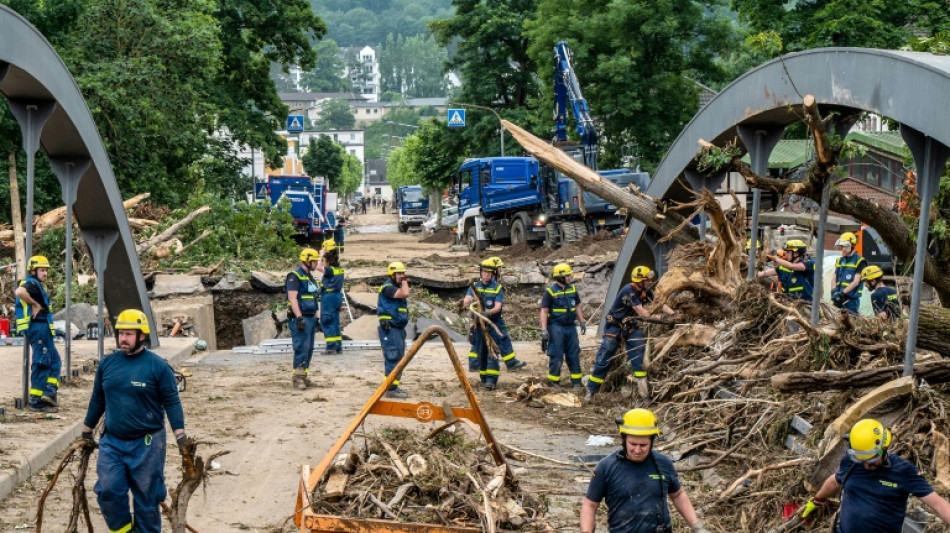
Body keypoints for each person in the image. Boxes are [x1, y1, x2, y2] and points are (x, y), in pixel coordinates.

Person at [81, 309, 188, 533]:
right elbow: (98, 399)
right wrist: (87, 430)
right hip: (113, 441)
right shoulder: (107, 364)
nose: (123, 339)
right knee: (108, 490)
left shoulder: (157, 366)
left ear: (141, 336)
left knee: (147, 499)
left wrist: (180, 435)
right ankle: (123, 530)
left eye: (129, 334)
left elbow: (172, 401)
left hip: (147, 443)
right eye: (120, 334)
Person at [800, 418, 950, 532]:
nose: (866, 465)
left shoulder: (904, 472)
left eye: (871, 460)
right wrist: (818, 500)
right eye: (862, 460)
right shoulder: (851, 462)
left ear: (884, 449)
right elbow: (835, 481)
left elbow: (937, 503)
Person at [581, 409, 709, 533]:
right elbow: (590, 505)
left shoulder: (663, 463)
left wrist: (696, 525)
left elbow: (678, 495)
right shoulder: (606, 467)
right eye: (633, 444)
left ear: (652, 441)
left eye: (643, 445)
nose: (637, 450)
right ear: (624, 440)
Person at [587, 266, 674, 400]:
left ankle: (643, 395)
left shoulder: (646, 292)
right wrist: (662, 318)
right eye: (648, 280)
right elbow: (642, 313)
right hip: (615, 327)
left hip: (631, 327)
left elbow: (660, 304)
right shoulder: (629, 290)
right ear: (639, 281)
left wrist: (674, 314)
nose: (650, 282)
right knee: (604, 358)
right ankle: (591, 390)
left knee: (638, 360)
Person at [463, 258, 527, 390]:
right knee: (481, 352)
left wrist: (488, 313)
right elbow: (467, 299)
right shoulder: (475, 286)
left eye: (488, 272)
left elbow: (498, 306)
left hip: (494, 324)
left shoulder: (497, 288)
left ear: (492, 274)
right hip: (479, 325)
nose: (486, 275)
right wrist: (468, 302)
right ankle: (483, 378)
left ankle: (491, 381)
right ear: (480, 273)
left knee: (493, 353)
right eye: (484, 272)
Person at [14, 255, 61, 412]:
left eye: (46, 270)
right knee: (42, 362)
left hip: (43, 328)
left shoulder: (37, 285)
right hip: (38, 328)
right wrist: (34, 304)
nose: (45, 273)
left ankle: (49, 392)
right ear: (33, 271)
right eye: (42, 270)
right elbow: (19, 291)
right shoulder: (31, 283)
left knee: (55, 361)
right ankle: (36, 401)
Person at [539, 263, 587, 390]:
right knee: (557, 354)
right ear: (560, 277)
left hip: (570, 327)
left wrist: (582, 321)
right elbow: (544, 311)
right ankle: (554, 383)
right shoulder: (550, 291)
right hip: (556, 327)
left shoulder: (572, 289)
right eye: (567, 275)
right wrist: (544, 330)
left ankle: (576, 382)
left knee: (573, 354)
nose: (569, 277)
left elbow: (577, 306)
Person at [286, 248, 320, 389]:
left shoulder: (310, 278)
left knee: (309, 348)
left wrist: (317, 317)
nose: (317, 263)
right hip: (301, 317)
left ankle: (304, 376)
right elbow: (293, 298)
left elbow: (314, 298)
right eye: (315, 261)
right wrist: (299, 318)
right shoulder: (294, 276)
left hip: (310, 317)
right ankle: (297, 378)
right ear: (307, 260)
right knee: (301, 347)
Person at [378, 262, 411, 398]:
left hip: (397, 328)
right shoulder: (388, 288)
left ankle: (393, 386)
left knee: (398, 359)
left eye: (403, 273)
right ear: (391, 275)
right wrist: (405, 283)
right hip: (390, 329)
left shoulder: (393, 287)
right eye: (399, 274)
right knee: (393, 357)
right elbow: (405, 293)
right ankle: (390, 389)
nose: (401, 276)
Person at [315, 239, 344, 354]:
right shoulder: (339, 269)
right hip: (336, 296)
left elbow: (318, 267)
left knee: (327, 320)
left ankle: (331, 347)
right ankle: (337, 346)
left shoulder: (330, 270)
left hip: (329, 297)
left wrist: (320, 256)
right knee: (335, 321)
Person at [832, 232, 867, 314]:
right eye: (842, 246)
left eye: (845, 246)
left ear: (852, 245)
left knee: (851, 321)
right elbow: (834, 277)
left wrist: (843, 293)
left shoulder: (860, 261)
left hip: (851, 300)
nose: (843, 249)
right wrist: (834, 291)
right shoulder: (840, 260)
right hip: (838, 297)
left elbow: (856, 282)